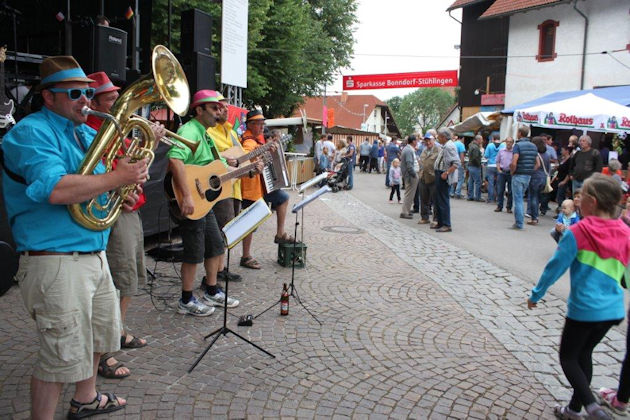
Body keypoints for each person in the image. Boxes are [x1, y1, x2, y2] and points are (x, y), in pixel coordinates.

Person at [1, 56, 148, 418]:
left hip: (92, 255)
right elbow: (54, 188)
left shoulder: (83, 132)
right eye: (75, 94)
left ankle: (86, 398)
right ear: (48, 97)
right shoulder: (30, 133)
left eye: (88, 92)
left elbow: (94, 188)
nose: (86, 99)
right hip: (55, 261)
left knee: (100, 335)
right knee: (59, 355)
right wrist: (115, 179)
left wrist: (120, 190)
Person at [527, 173, 630, 420]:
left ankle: (592, 408)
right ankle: (573, 410)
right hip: (612, 310)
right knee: (584, 354)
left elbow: (555, 267)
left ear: (592, 202)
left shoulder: (578, 231)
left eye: (581, 195)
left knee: (569, 358)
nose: (577, 199)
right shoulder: (625, 231)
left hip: (585, 309)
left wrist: (536, 295)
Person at [85, 71, 161, 379]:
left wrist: (150, 144)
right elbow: (104, 172)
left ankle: (117, 332)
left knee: (129, 276)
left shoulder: (116, 129)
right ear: (94, 102)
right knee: (117, 280)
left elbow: (136, 167)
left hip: (129, 210)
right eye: (110, 98)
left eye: (118, 96)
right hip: (115, 213)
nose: (118, 101)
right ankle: (104, 353)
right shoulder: (93, 131)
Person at [168, 90, 241, 316]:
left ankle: (211, 290)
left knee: (215, 244)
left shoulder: (206, 134)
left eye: (219, 107)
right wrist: (187, 196)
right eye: (213, 108)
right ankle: (186, 300)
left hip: (204, 201)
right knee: (194, 251)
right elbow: (175, 159)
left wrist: (246, 170)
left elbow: (217, 169)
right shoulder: (189, 130)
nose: (219, 111)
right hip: (191, 199)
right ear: (199, 110)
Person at [239, 109, 294, 268]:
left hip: (263, 185)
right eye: (259, 124)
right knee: (251, 223)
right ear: (250, 125)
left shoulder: (258, 140)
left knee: (283, 198)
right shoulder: (248, 141)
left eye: (263, 124)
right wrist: (264, 152)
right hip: (251, 188)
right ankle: (245, 256)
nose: (262, 127)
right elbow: (246, 158)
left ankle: (280, 233)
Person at [207, 92, 245, 284]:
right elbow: (210, 157)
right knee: (220, 231)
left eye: (226, 107)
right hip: (219, 185)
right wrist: (227, 158)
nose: (225, 110)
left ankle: (221, 269)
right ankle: (215, 273)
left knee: (227, 230)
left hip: (234, 185)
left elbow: (240, 155)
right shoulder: (209, 131)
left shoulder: (230, 131)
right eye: (220, 107)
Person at [509, 125, 538, 230]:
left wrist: (512, 171)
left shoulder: (518, 145)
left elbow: (514, 161)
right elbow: (537, 163)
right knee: (520, 197)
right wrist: (529, 170)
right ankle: (519, 222)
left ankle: (519, 223)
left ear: (520, 133)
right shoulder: (534, 146)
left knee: (518, 199)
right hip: (528, 175)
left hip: (518, 174)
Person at [432, 128, 460, 232]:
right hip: (440, 173)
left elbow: (456, 163)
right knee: (439, 199)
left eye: (439, 136)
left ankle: (446, 224)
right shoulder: (446, 145)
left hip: (443, 175)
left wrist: (447, 173)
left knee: (443, 200)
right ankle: (440, 222)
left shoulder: (449, 146)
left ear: (443, 137)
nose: (437, 138)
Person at [525, 136, 550, 226]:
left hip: (535, 177)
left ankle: (534, 218)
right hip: (543, 177)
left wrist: (530, 172)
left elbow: (536, 165)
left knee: (533, 197)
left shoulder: (535, 154)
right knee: (538, 197)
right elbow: (548, 168)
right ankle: (536, 215)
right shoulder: (547, 154)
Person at [418, 132, 441, 224]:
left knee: (435, 200)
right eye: (426, 141)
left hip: (433, 178)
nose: (428, 143)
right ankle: (425, 217)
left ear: (434, 140)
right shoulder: (424, 150)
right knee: (423, 199)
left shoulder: (438, 150)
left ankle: (436, 219)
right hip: (423, 177)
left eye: (429, 140)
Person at [400, 135, 419, 219]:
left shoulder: (408, 149)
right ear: (414, 141)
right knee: (409, 194)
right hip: (411, 175)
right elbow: (409, 164)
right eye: (416, 140)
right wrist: (414, 175)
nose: (417, 142)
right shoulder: (408, 150)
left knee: (410, 194)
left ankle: (406, 210)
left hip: (410, 174)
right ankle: (405, 212)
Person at [495, 137, 514, 213]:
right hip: (502, 172)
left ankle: (509, 207)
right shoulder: (501, 151)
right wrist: (499, 169)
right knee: (500, 190)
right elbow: (497, 161)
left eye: (510, 142)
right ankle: (499, 206)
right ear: (505, 142)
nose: (508, 143)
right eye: (507, 142)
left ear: (512, 143)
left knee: (510, 191)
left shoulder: (514, 152)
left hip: (510, 172)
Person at [484, 134, 501, 203]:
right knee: (498, 183)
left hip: (490, 165)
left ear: (493, 139)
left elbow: (486, 156)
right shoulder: (503, 145)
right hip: (499, 166)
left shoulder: (490, 145)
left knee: (490, 183)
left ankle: (490, 198)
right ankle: (497, 198)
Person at [467, 135, 483, 202]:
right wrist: (479, 164)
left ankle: (470, 196)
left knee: (471, 181)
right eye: (481, 139)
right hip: (475, 166)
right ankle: (478, 197)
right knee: (478, 182)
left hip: (470, 165)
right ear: (478, 140)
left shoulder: (471, 145)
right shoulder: (476, 147)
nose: (482, 141)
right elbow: (475, 158)